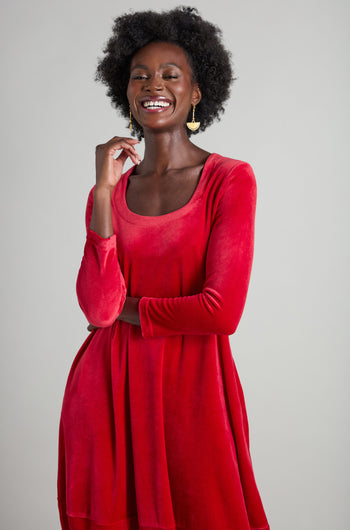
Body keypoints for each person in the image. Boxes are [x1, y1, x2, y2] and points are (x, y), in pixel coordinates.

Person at [57, 6, 270, 530]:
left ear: (197, 92)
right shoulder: (106, 194)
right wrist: (104, 190)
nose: (154, 85)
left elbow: (220, 313)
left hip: (193, 390)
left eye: (171, 74)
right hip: (106, 389)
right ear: (125, 92)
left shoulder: (229, 180)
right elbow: (95, 305)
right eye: (140, 75)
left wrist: (124, 311)